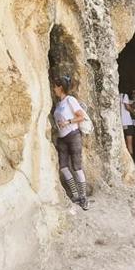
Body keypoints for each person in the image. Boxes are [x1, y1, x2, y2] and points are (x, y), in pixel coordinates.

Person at [52, 75, 89, 210]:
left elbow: (81, 116)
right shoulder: (58, 105)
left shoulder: (70, 100)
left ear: (60, 87)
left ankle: (83, 197)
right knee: (63, 167)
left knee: (77, 167)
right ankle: (75, 194)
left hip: (73, 135)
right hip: (62, 138)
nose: (54, 89)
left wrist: (67, 122)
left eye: (55, 87)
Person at [120, 89, 135, 157]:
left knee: (123, 142)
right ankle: (131, 159)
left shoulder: (117, 95)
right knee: (129, 142)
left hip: (121, 122)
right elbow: (127, 107)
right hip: (127, 121)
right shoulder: (125, 95)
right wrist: (133, 111)